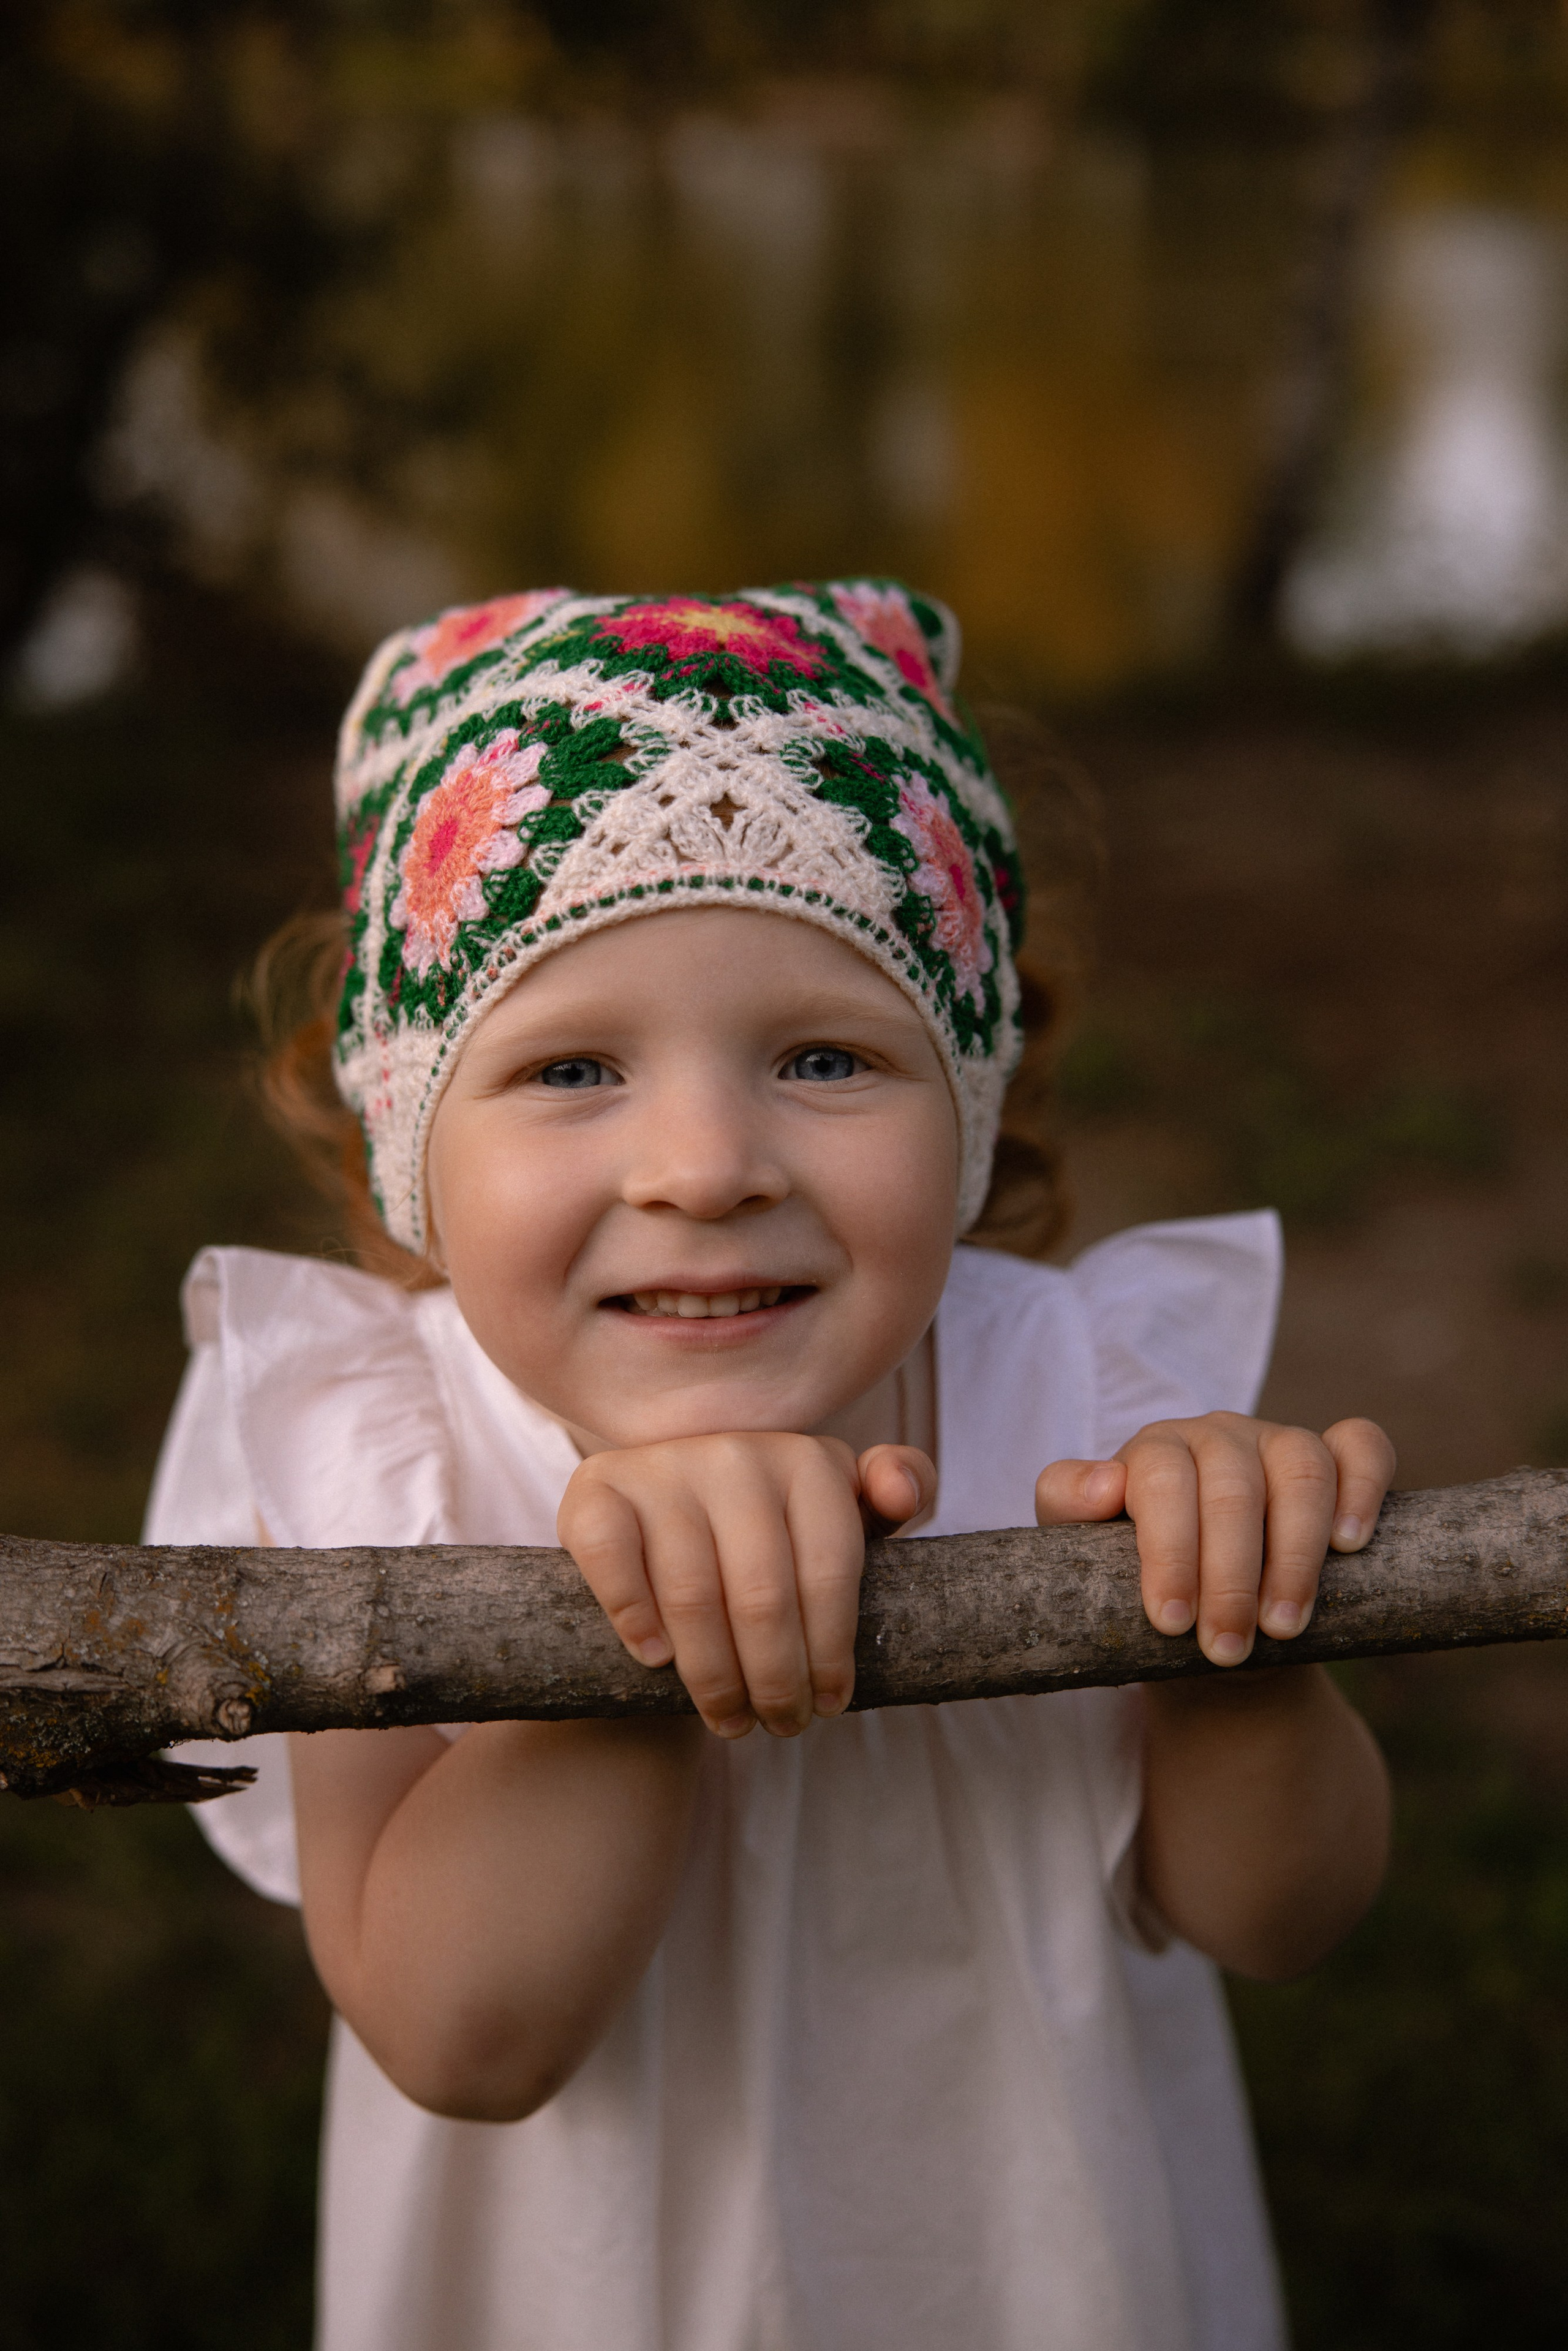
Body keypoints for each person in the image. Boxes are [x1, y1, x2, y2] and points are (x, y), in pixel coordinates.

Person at [146, 579, 1393, 2351]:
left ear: (967, 1112)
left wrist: (1243, 1636)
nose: (707, 1163)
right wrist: (633, 1648)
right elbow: (465, 2037)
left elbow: (1276, 1915)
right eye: (573, 1066)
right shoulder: (372, 1460)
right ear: (413, 1143)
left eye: (826, 1057)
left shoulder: (1086, 1398)